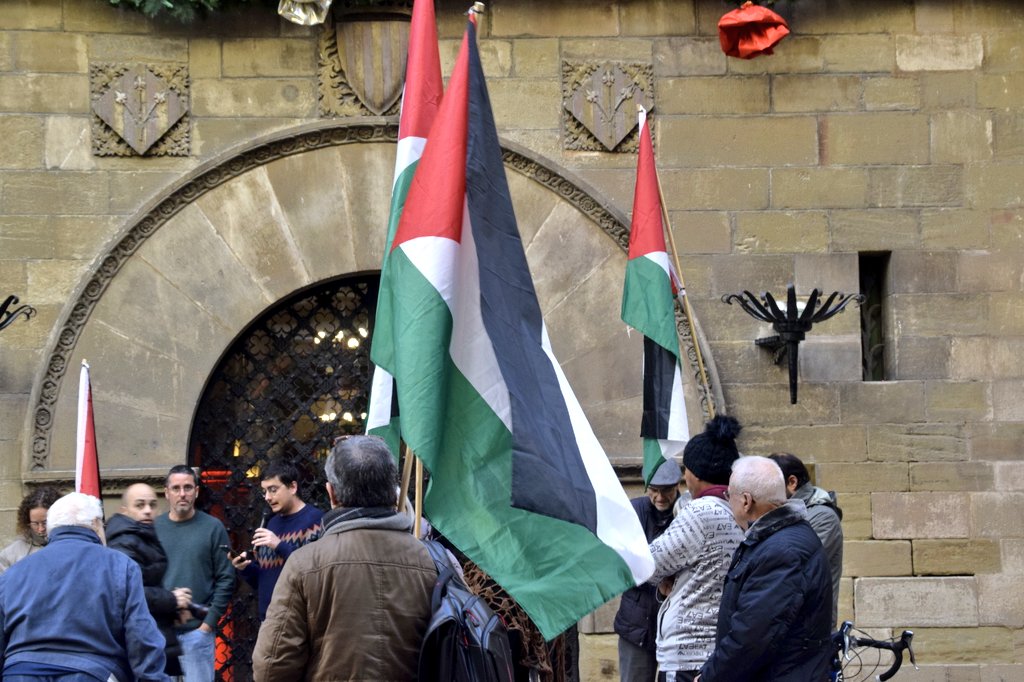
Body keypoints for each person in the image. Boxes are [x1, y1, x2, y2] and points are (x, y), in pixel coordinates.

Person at [252, 435, 436, 681]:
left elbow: (271, 667)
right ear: (393, 493)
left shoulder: (304, 563)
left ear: (332, 494)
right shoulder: (432, 560)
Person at [0, 492, 168, 681]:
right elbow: (141, 635)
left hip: (19, 673)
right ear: (96, 523)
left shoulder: (13, 574)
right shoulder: (121, 566)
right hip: (92, 671)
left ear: (51, 528)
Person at [697, 456, 833, 682]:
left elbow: (752, 637)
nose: (728, 502)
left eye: (729, 496)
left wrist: (709, 677)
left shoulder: (781, 550)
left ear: (746, 501)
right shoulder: (780, 537)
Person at [648, 416, 745, 682]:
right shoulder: (739, 509)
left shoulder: (701, 511)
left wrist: (665, 577)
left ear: (696, 474)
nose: (684, 476)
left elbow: (651, 563)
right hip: (719, 649)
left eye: (685, 469)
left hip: (688, 651)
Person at [154, 465, 234, 682]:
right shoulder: (153, 528)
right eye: (176, 488)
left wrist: (207, 624)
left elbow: (226, 578)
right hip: (160, 634)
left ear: (197, 492)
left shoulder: (212, 528)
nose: (182, 494)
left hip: (196, 633)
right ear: (166, 492)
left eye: (188, 487)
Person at [106, 483, 191, 677]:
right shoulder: (124, 540)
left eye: (152, 505)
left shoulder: (142, 536)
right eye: (140, 505)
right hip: (137, 645)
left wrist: (172, 611)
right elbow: (127, 592)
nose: (147, 511)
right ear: (124, 510)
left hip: (148, 637)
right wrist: (172, 599)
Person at [613, 457, 683, 682]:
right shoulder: (634, 511)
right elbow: (619, 562)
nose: (660, 498)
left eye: (667, 491)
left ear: (678, 486)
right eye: (654, 490)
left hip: (676, 627)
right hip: (637, 624)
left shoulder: (690, 513)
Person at [230, 461, 323, 621]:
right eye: (264, 491)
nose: (267, 497)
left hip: (299, 620)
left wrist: (279, 545)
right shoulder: (271, 523)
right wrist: (245, 567)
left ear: (293, 487)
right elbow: (263, 579)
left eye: (273, 490)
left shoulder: (315, 520)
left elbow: (315, 572)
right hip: (268, 619)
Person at [768, 452, 844, 628]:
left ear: (792, 483)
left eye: (770, 486)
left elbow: (791, 568)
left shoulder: (823, 516)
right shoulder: (779, 514)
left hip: (811, 632)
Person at [0, 486, 62, 575]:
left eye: (45, 522)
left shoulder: (72, 546)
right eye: (35, 523)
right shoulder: (10, 554)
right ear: (27, 521)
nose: (41, 529)